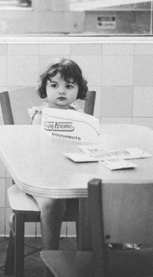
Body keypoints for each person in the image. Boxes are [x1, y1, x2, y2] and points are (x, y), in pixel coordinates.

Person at [27, 58, 89, 250]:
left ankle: (90, 254)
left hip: (71, 174)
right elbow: (32, 150)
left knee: (102, 196)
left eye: (69, 86)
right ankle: (51, 252)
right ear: (45, 89)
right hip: (43, 177)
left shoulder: (80, 116)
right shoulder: (40, 115)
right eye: (54, 85)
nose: (61, 91)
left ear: (79, 90)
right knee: (53, 203)